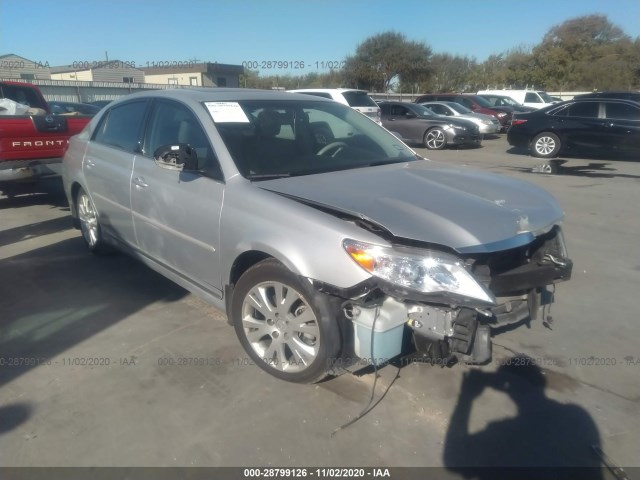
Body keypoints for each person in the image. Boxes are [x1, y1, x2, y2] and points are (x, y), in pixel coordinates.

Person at [444, 356, 604, 480]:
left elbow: (452, 458)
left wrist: (466, 398)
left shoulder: (503, 434)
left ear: (507, 389)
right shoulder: (576, 416)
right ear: (541, 382)